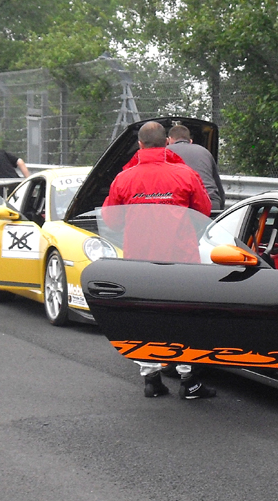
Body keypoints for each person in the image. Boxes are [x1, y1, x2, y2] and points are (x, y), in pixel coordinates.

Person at [102, 120, 216, 400]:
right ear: (166, 143)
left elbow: (111, 221)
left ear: (139, 145)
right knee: (183, 317)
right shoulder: (185, 174)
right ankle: (190, 382)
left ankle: (151, 380)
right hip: (181, 260)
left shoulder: (123, 178)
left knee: (145, 318)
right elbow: (204, 210)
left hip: (139, 261)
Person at [165, 123, 224, 211]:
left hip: (182, 207)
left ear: (169, 140)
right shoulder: (205, 152)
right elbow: (219, 188)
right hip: (212, 204)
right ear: (191, 141)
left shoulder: (165, 152)